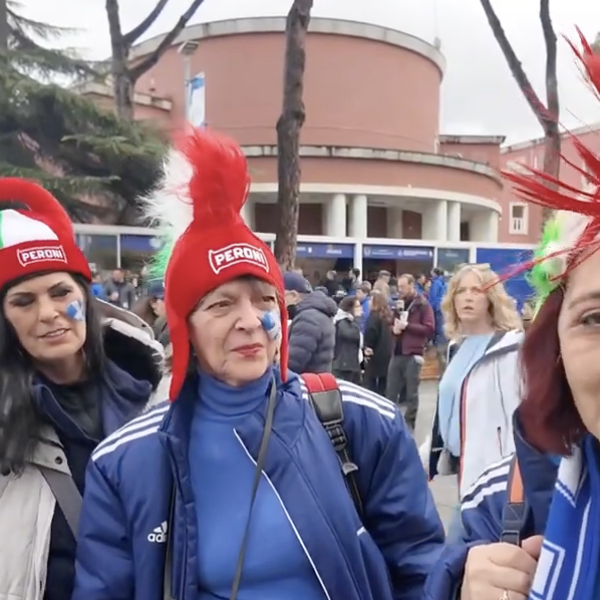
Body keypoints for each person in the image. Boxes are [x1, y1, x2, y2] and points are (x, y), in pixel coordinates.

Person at [71, 128, 445, 600]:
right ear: (184, 326)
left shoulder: (363, 422)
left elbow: (422, 570)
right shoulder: (126, 462)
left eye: (264, 300)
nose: (251, 322)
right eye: (222, 305)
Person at [424, 39, 600, 600]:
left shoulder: (504, 348)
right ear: (557, 352)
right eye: (595, 319)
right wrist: (461, 586)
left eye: (481, 292)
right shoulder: (510, 500)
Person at [0, 178, 164, 600]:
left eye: (61, 293)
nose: (50, 313)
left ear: (86, 298)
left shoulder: (156, 392)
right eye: (23, 302)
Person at [419, 263, 523, 543]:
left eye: (476, 290)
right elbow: (448, 411)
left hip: (496, 484)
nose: (467, 297)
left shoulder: (512, 348)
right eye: (460, 291)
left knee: (455, 557)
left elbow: (522, 417)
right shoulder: (457, 347)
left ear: (491, 298)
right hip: (461, 472)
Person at [386, 274, 434, 432]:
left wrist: (408, 326)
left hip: (413, 353)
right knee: (391, 390)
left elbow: (429, 328)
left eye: (403, 287)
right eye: (399, 287)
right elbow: (392, 323)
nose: (400, 290)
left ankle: (409, 425)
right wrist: (394, 329)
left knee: (411, 393)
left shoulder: (422, 304)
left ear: (412, 285)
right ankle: (389, 422)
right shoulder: (399, 304)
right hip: (397, 351)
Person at [284, 270, 338, 374]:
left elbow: (291, 364)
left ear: (293, 295)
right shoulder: (316, 314)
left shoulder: (308, 319)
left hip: (306, 385)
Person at [363, 291, 393, 396]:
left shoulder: (373, 316)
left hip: (375, 354)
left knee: (371, 383)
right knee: (384, 384)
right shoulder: (388, 316)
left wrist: (367, 346)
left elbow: (371, 333)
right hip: (387, 353)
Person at [332, 296, 362, 384]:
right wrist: (356, 320)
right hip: (343, 365)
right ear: (350, 309)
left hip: (351, 364)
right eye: (357, 307)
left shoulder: (350, 322)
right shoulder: (343, 322)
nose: (360, 309)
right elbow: (351, 335)